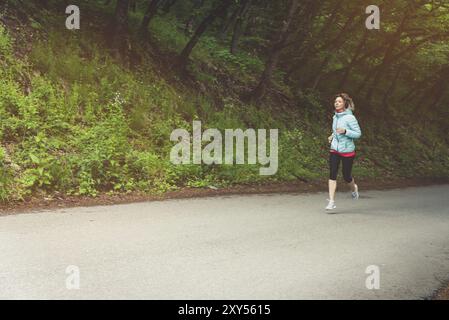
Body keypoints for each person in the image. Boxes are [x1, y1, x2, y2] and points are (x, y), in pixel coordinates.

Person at [325, 93, 362, 211]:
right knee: (332, 173)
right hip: (335, 149)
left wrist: (346, 131)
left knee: (346, 176)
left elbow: (358, 134)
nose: (336, 103)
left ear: (345, 104)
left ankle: (354, 188)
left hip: (347, 150)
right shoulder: (335, 117)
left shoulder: (350, 118)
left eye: (339, 101)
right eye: (335, 101)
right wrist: (332, 136)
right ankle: (331, 201)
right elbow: (335, 131)